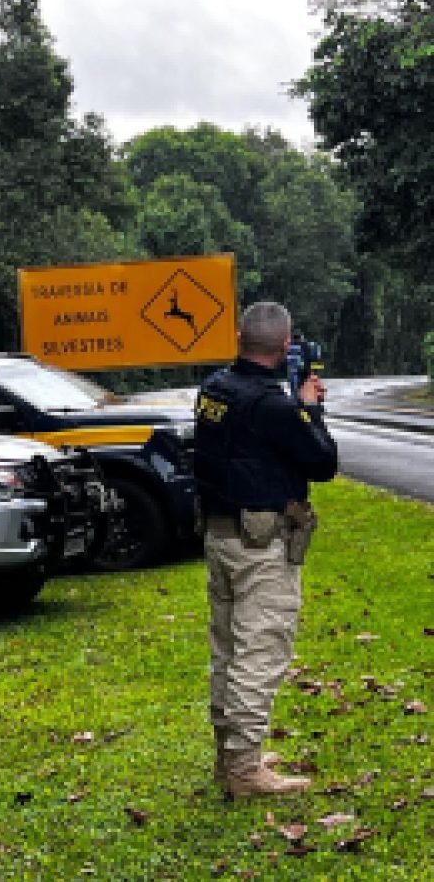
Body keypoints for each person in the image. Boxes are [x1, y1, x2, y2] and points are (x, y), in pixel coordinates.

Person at [193, 302, 338, 798]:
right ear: (284, 346)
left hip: (220, 534)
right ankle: (245, 770)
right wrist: (310, 408)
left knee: (228, 647)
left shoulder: (213, 390)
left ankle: (228, 754)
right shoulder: (274, 406)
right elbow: (322, 461)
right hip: (260, 542)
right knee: (261, 649)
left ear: (238, 338)